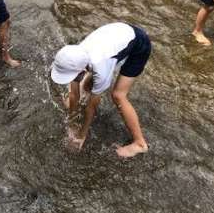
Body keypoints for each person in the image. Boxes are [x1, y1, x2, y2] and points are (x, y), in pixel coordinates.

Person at [51, 22, 152, 157]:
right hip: (116, 36)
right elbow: (73, 94)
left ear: (81, 70)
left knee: (118, 95)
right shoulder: (72, 56)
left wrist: (81, 135)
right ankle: (88, 86)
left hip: (139, 45)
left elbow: (91, 107)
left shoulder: (101, 68)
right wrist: (71, 123)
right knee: (86, 86)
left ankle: (140, 144)